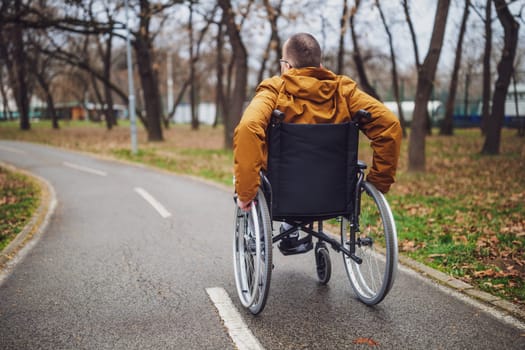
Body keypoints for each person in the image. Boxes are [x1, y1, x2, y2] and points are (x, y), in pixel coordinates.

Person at [233, 33, 402, 252]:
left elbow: (248, 128)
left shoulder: (274, 91)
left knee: (248, 167)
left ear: (287, 66)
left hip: (281, 192)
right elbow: (389, 125)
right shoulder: (344, 92)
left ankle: (267, 231)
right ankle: (292, 228)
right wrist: (379, 182)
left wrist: (246, 194)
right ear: (319, 65)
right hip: (335, 194)